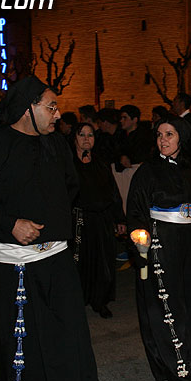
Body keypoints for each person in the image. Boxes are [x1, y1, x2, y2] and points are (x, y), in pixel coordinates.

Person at [0, 76, 108, 381]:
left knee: (69, 334)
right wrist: (10, 224)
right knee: (21, 342)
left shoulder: (56, 145)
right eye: (51, 107)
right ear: (27, 108)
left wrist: (53, 221)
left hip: (58, 258)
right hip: (15, 263)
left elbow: (70, 187)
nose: (57, 113)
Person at [127, 116, 191, 381]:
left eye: (169, 134)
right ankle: (182, 373)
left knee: (189, 303)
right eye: (159, 135)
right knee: (168, 308)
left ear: (181, 137)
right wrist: (141, 246)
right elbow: (135, 213)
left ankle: (170, 358)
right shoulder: (147, 172)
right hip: (161, 243)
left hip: (190, 244)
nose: (163, 140)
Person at [71, 123, 127, 319]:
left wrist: (119, 218)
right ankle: (77, 300)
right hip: (78, 221)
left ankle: (100, 300)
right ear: (75, 138)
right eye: (82, 135)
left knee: (102, 261)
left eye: (90, 135)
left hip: (101, 220)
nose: (86, 139)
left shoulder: (101, 163)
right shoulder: (67, 164)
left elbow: (113, 192)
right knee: (80, 262)